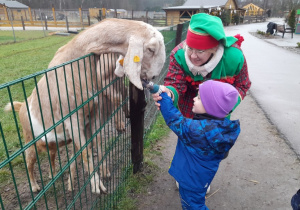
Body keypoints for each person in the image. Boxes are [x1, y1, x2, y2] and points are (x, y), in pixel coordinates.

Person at [156, 80, 241, 209]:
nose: (194, 99)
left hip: (191, 180)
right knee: (195, 202)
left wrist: (163, 98)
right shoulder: (222, 128)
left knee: (192, 205)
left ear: (211, 106)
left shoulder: (197, 130)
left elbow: (174, 119)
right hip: (201, 178)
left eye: (200, 98)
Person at [152, 13, 251, 119]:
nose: (193, 56)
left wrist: (226, 105)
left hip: (219, 115)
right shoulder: (178, 55)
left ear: (214, 48)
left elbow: (242, 85)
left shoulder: (234, 58)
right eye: (190, 48)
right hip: (189, 109)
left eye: (200, 51)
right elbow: (175, 83)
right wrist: (170, 93)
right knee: (190, 133)